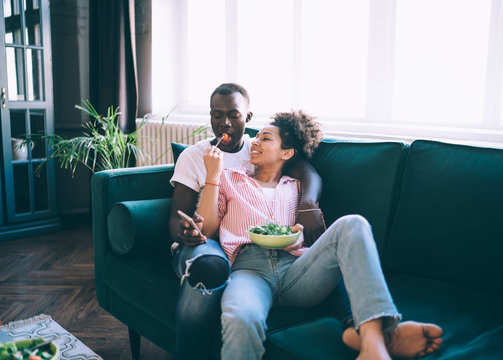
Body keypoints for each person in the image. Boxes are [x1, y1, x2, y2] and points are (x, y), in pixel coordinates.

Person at [195, 110, 444, 360]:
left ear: (286, 153)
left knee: (353, 223)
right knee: (241, 317)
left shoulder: (296, 186)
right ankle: (386, 338)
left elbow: (317, 235)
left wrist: (297, 233)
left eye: (265, 138)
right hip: (249, 270)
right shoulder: (231, 179)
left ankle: (372, 343)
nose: (255, 141)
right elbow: (206, 230)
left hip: (297, 270)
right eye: (256, 136)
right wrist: (213, 176)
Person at [168, 83, 329, 359]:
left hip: (253, 243)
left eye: (234, 115)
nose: (224, 124)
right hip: (206, 237)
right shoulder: (194, 156)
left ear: (248, 117)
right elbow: (175, 218)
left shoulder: (256, 150)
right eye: (216, 115)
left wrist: (308, 204)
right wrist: (185, 233)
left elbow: (305, 170)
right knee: (210, 265)